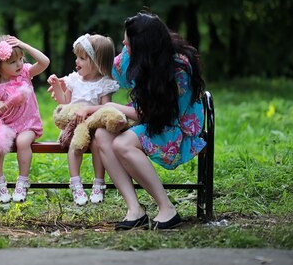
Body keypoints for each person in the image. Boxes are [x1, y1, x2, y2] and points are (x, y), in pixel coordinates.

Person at [85, 12, 206, 230]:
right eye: (123, 43)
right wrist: (72, 81)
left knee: (122, 143)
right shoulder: (135, 55)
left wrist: (111, 107)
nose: (124, 48)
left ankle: (167, 209)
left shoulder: (179, 68)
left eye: (128, 44)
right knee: (102, 135)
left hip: (174, 127)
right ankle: (135, 210)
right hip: (148, 117)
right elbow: (105, 68)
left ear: (145, 46)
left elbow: (163, 115)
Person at [0, 35, 50, 203]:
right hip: (6, 127)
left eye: (21, 59)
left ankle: (22, 182)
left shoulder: (25, 74)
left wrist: (24, 45)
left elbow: (45, 62)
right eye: (12, 62)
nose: (19, 64)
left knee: (23, 142)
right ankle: (0, 183)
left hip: (28, 125)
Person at [47, 34, 119, 206]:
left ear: (96, 62)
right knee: (75, 146)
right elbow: (65, 101)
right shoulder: (74, 80)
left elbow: (106, 108)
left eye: (82, 58)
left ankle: (98, 183)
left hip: (94, 125)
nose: (77, 61)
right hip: (75, 125)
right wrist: (57, 87)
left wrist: (88, 111)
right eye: (76, 57)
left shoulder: (104, 83)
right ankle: (76, 183)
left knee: (96, 145)